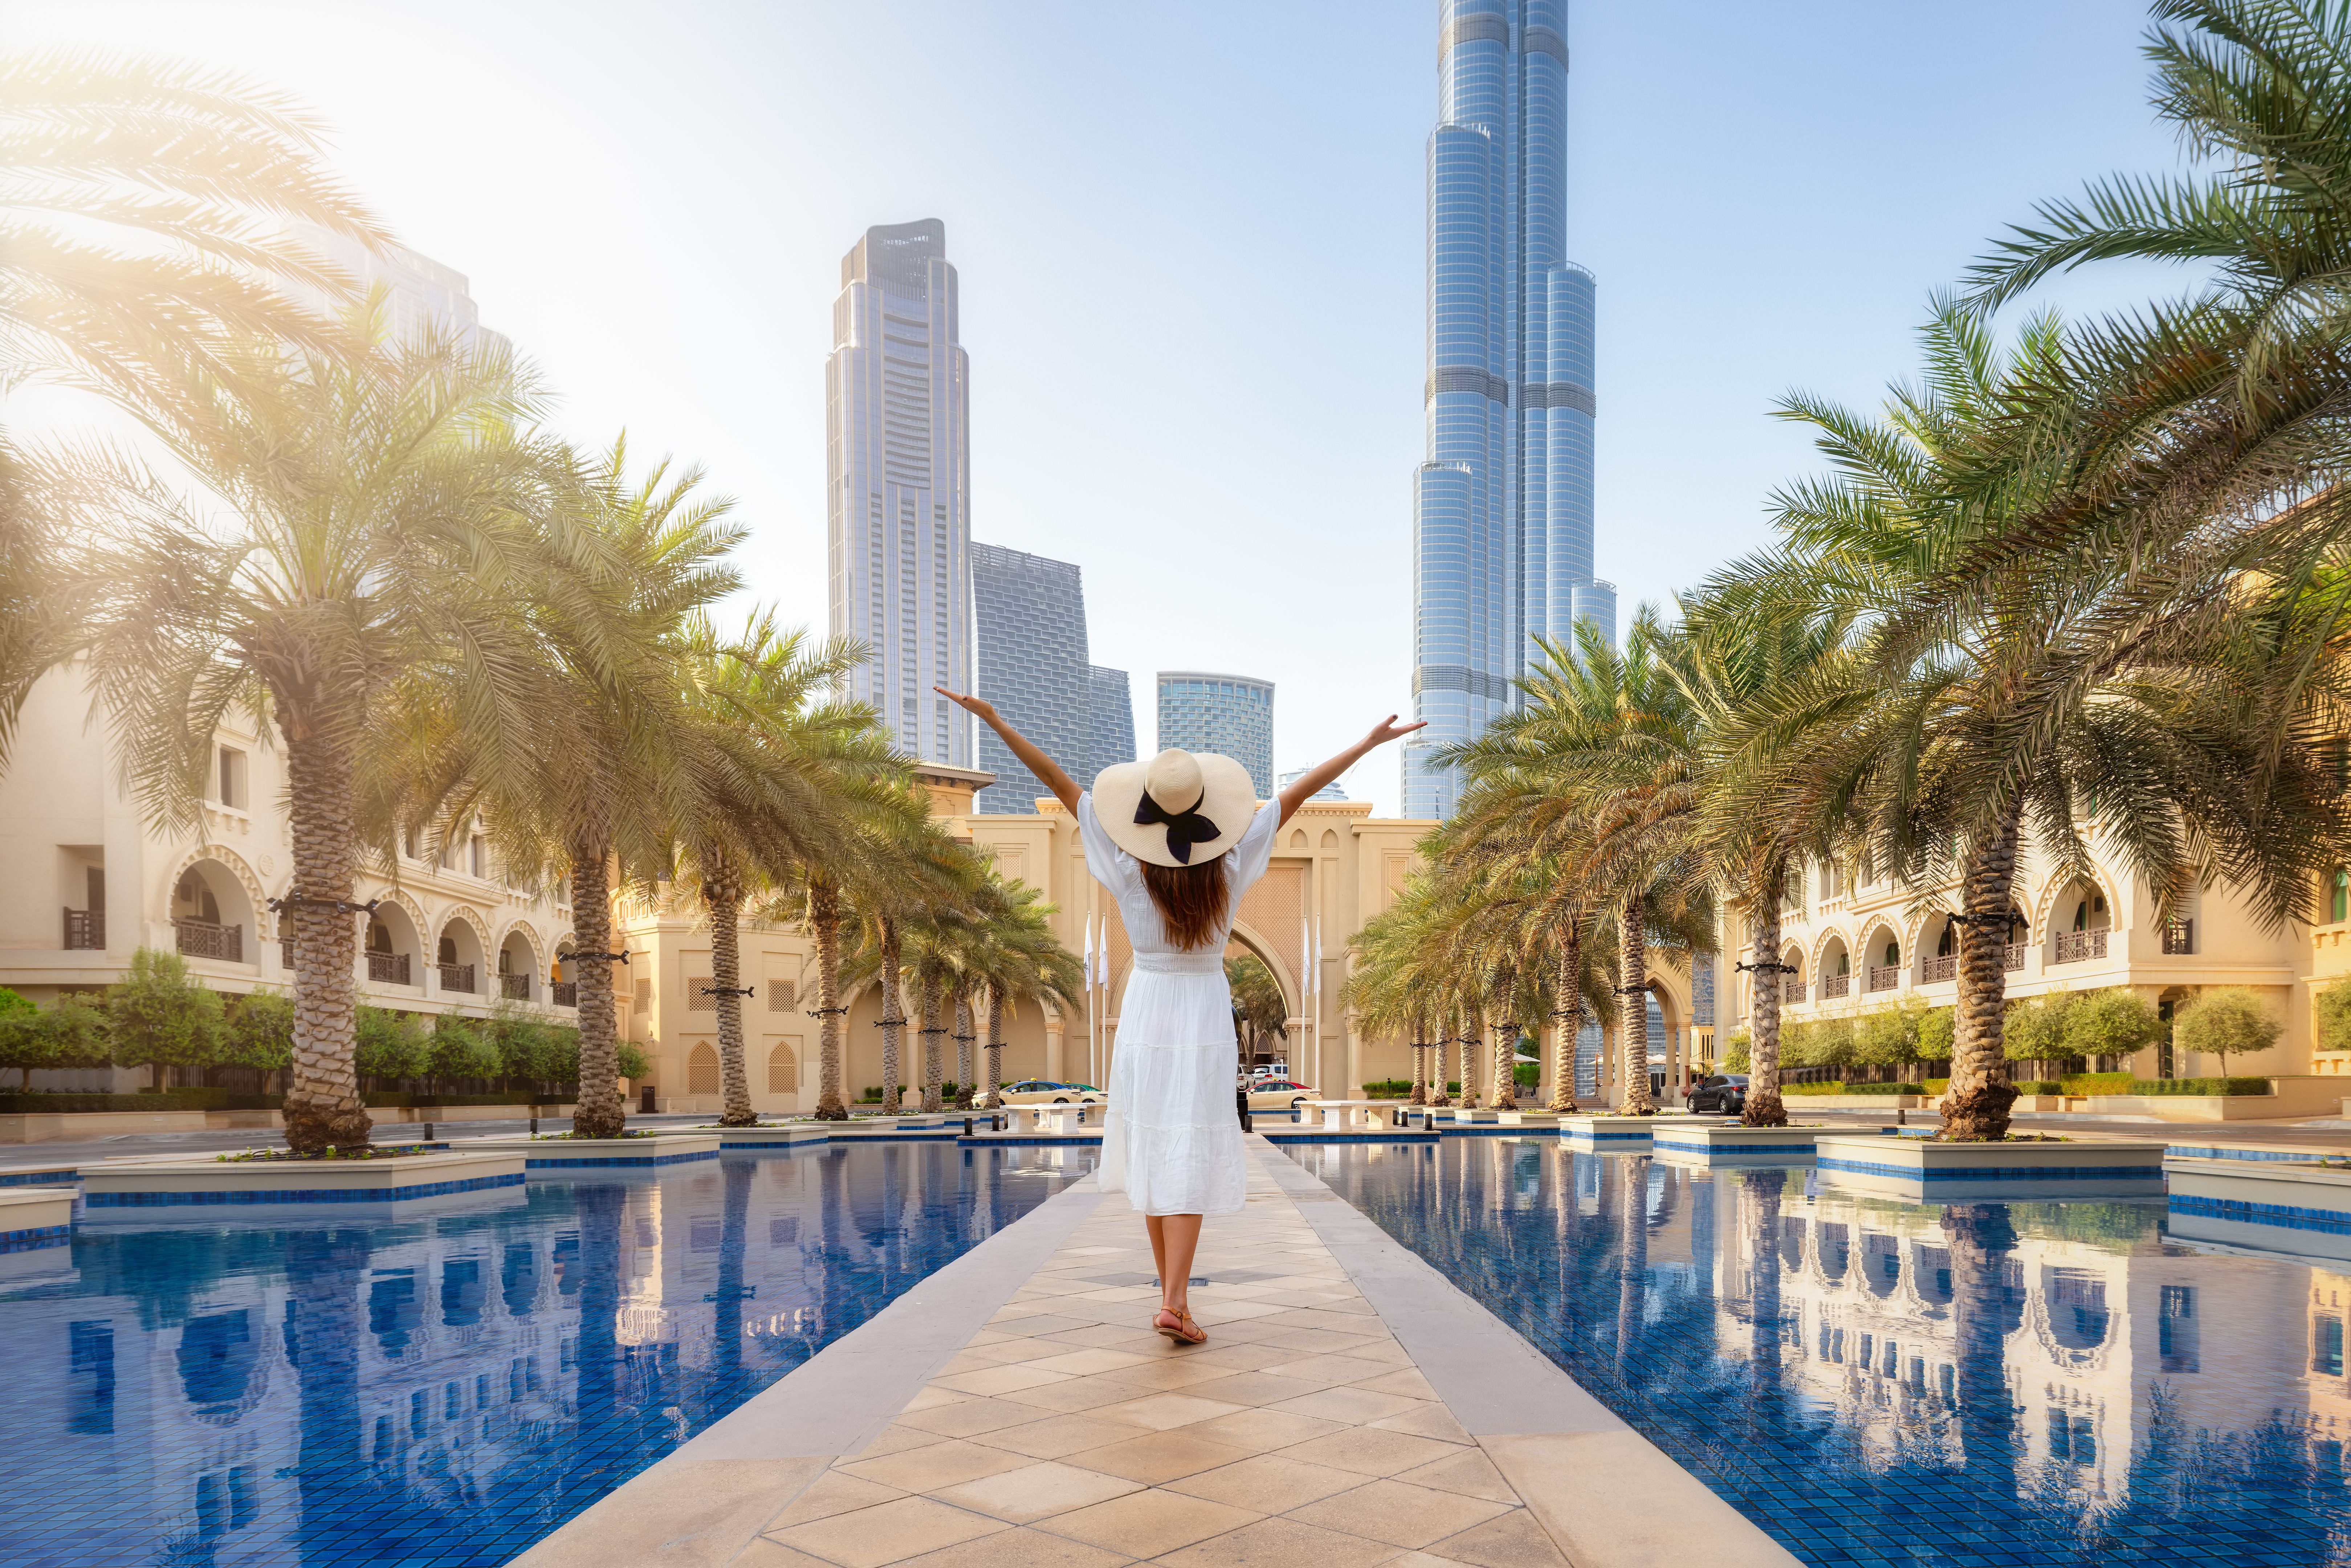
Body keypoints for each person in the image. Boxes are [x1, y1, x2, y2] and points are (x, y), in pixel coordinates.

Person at [938, 685, 1420, 1345]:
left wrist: (995, 718)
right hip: (1200, 1009)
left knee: (1154, 1149)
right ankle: (1176, 1301)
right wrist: (1366, 745)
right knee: (1187, 1150)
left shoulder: (1127, 869)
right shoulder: (1228, 866)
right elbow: (1300, 793)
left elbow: (1058, 780)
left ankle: (1174, 1300)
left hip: (1145, 1008)